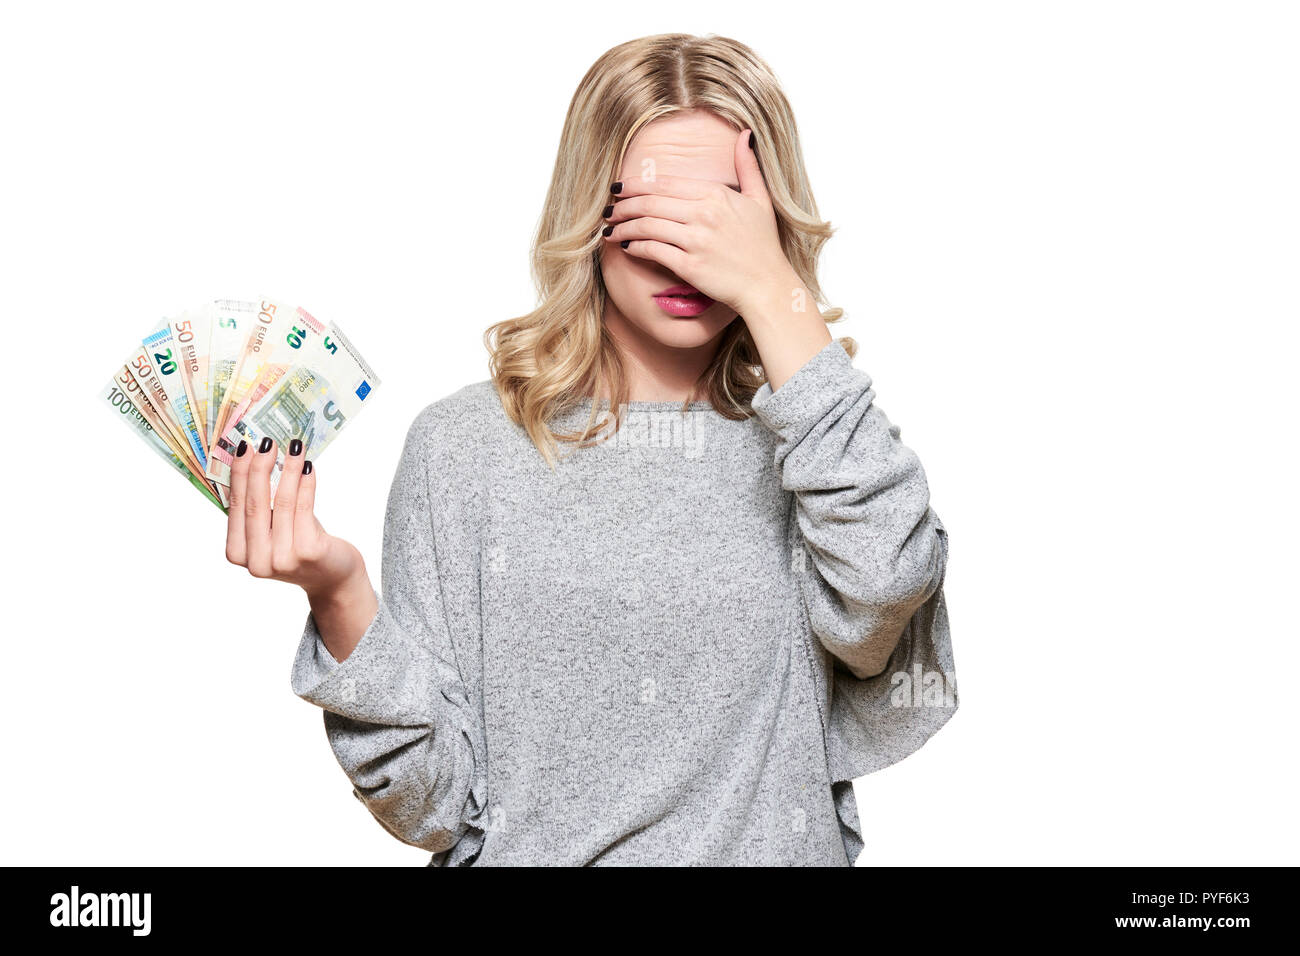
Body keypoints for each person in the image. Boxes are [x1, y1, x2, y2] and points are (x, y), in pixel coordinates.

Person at [224, 32, 958, 866]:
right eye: (659, 210)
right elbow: (431, 810)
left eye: (722, 216)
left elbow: (888, 590)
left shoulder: (819, 447)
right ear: (592, 211)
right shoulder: (464, 449)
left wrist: (773, 292)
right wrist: (340, 591)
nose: (692, 251)